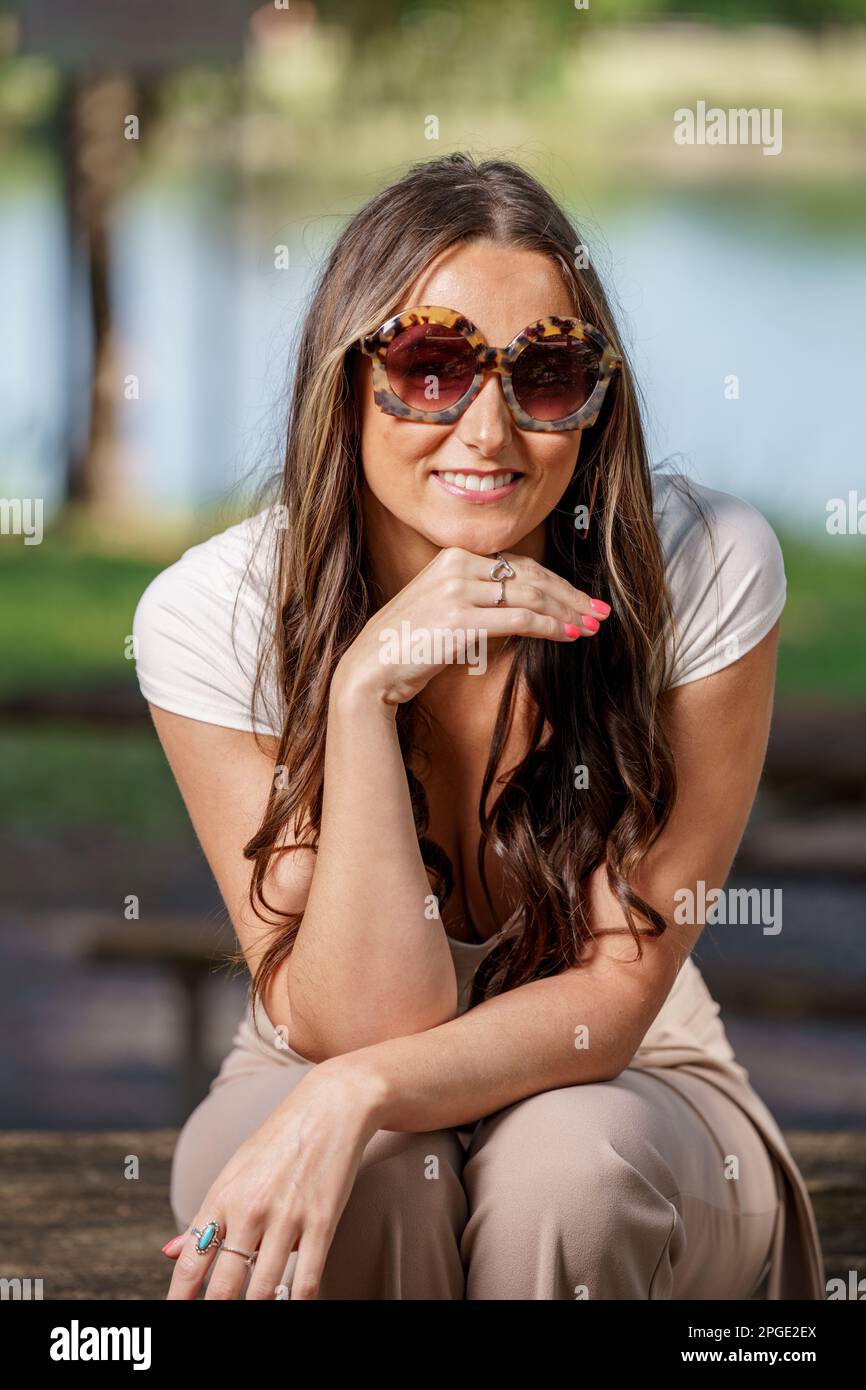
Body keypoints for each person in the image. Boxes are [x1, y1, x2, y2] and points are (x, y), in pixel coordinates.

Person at [132, 153, 825, 1301]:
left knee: (567, 1172)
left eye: (546, 372)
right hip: (307, 1060)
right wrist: (360, 699)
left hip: (635, 1079)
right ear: (345, 377)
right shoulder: (213, 613)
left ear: (594, 397)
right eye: (430, 363)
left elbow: (609, 1004)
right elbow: (358, 1025)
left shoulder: (699, 563)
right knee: (373, 1173)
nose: (488, 428)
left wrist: (358, 1094)